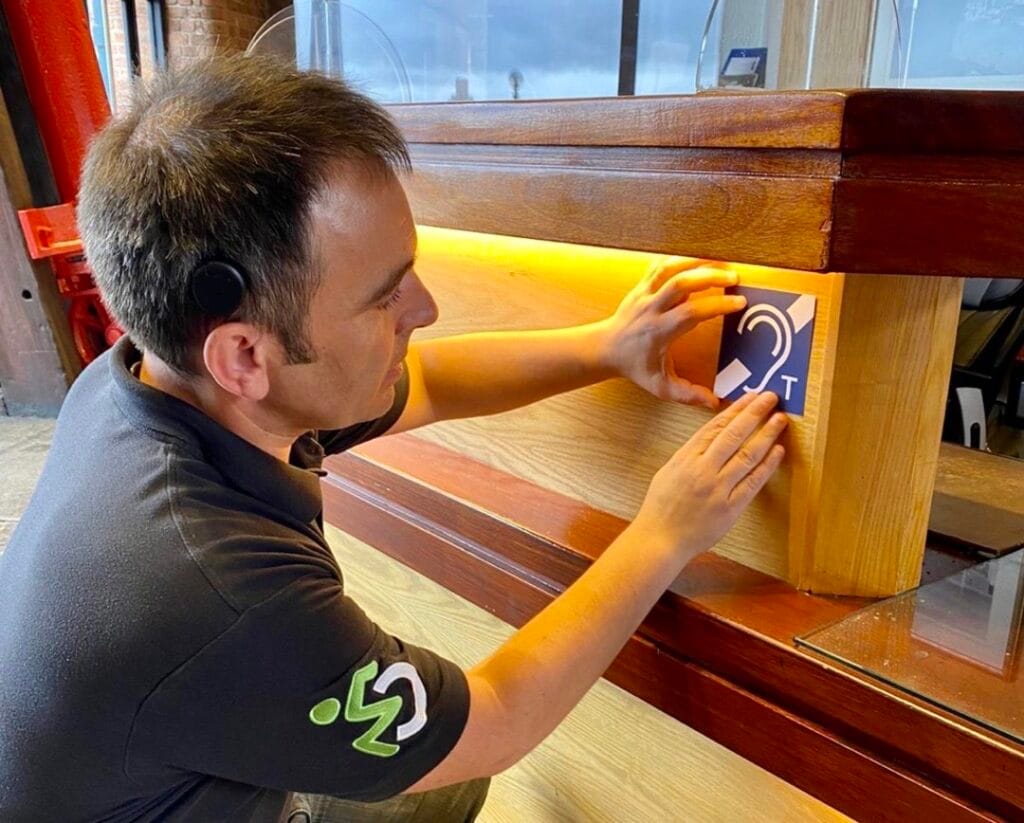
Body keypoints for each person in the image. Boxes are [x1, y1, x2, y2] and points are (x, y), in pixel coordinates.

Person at [0, 55, 787, 822]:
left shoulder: (139, 382)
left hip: (157, 768)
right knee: (444, 777)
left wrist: (605, 345)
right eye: (383, 299)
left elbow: (434, 383)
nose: (426, 308)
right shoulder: (226, 593)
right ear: (244, 354)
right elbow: (497, 719)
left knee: (433, 787)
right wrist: (663, 533)